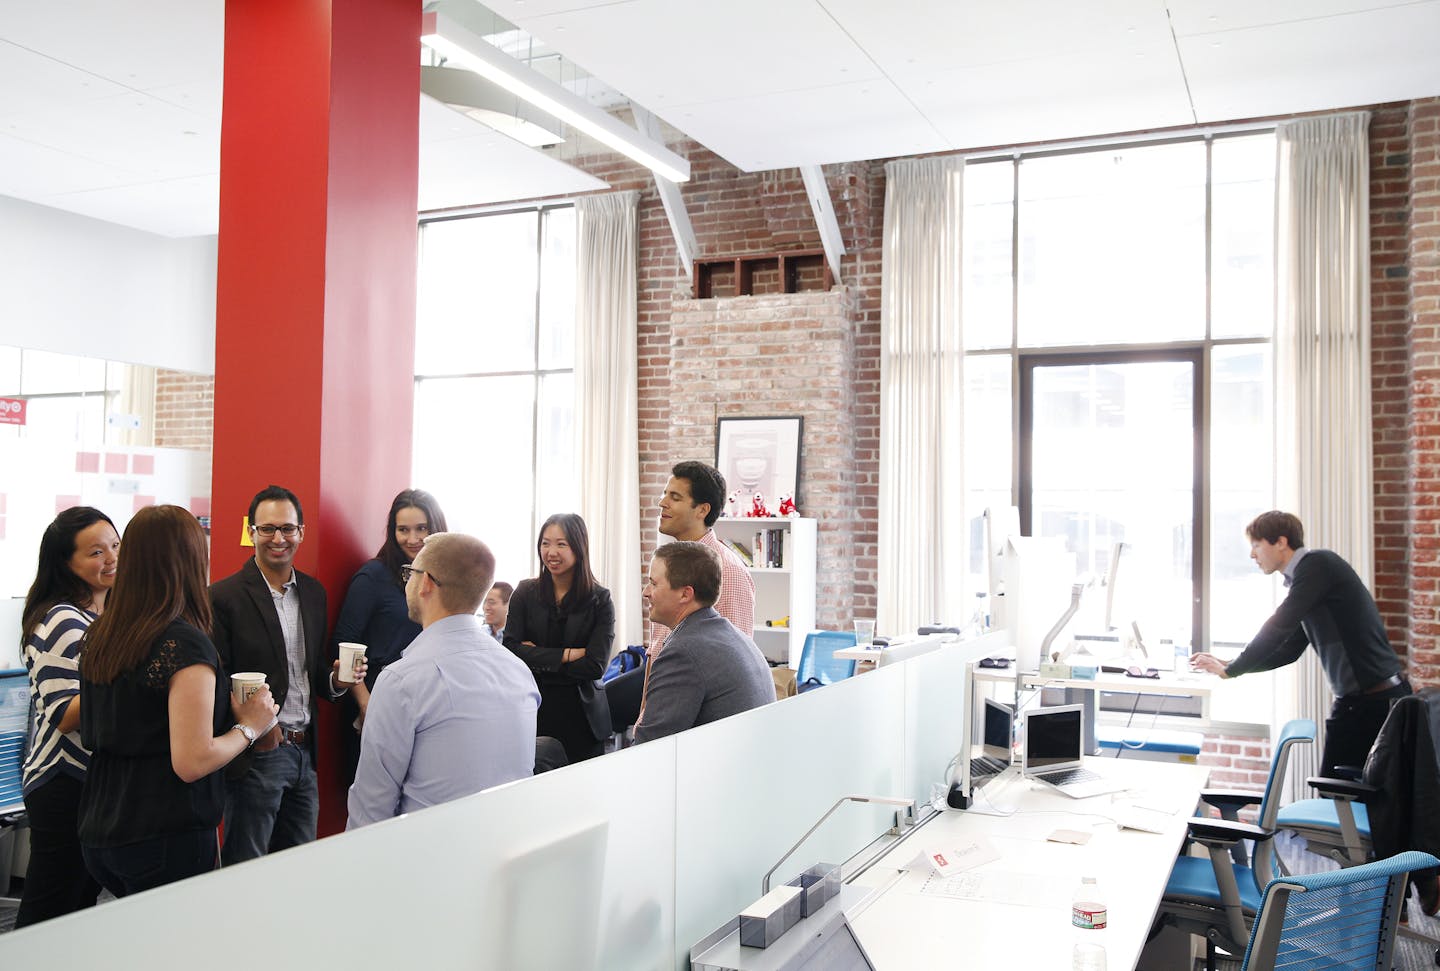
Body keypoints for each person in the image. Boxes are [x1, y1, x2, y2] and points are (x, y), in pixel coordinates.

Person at [77, 505, 279, 897]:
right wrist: (250, 726)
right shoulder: (181, 643)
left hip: (101, 825)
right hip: (164, 832)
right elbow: (192, 761)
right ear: (189, 560)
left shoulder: (103, 632)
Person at [1190, 510, 1410, 775]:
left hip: (1374, 701)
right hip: (1361, 701)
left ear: (1281, 543)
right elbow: (1288, 650)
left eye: (1256, 545)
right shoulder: (1310, 579)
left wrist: (1232, 669)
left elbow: (1279, 625)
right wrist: (1229, 665)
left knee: (1344, 795)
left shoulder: (1318, 566)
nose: (1252, 555)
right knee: (1339, 793)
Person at [347, 533, 539, 828]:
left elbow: (370, 812)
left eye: (410, 573)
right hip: (505, 851)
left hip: (427, 862)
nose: (406, 583)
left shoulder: (401, 682)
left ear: (425, 583)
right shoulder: (519, 672)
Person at [210, 484, 336, 864]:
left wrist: (337, 682)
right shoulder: (223, 596)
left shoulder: (314, 593)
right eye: (267, 529)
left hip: (306, 750)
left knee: (297, 867)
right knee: (244, 867)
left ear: (302, 533)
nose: (278, 538)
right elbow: (218, 679)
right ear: (251, 532)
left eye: (287, 528)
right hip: (258, 753)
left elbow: (312, 671)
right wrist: (261, 730)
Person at [14, 507, 118, 926]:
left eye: (115, 545)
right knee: (50, 906)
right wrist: (133, 689)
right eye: (95, 552)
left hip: (91, 782)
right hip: (62, 782)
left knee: (77, 905)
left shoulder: (102, 616)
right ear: (65, 563)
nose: (110, 558)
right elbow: (65, 714)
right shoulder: (62, 618)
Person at [330, 488, 447, 784]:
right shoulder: (373, 577)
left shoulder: (444, 579)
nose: (412, 539)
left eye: (422, 528)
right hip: (378, 704)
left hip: (430, 706)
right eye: (403, 529)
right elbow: (345, 644)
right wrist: (366, 703)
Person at [633, 542, 774, 744]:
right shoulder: (730, 634)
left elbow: (650, 746)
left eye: (654, 584)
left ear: (685, 594)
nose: (646, 592)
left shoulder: (683, 653)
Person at [503, 514, 614, 764]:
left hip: (582, 717)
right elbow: (510, 651)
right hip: (534, 709)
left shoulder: (600, 599)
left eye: (561, 544)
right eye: (545, 543)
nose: (551, 552)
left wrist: (535, 656)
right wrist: (567, 655)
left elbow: (595, 666)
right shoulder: (525, 593)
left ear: (579, 546)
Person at [648, 461, 755, 655]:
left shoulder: (728, 570)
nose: (662, 502)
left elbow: (737, 655)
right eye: (665, 494)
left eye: (675, 497)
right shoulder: (669, 562)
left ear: (702, 510)